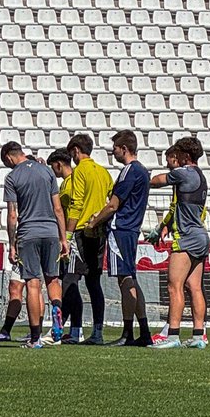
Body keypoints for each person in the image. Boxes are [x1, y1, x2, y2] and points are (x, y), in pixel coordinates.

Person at [85, 129, 152, 347]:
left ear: (124, 149)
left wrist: (94, 222)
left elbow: (114, 205)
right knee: (131, 278)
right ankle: (144, 331)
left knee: (124, 280)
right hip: (132, 230)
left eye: (115, 148)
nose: (113, 152)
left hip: (120, 229)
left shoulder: (129, 171)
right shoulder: (143, 171)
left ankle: (127, 333)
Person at [1, 141, 68, 349]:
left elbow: (13, 214)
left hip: (28, 233)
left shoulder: (12, 177)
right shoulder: (47, 172)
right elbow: (58, 208)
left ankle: (36, 337)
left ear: (10, 157)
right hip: (50, 231)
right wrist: (63, 238)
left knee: (32, 283)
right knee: (53, 279)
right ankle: (57, 313)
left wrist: (12, 244)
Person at [149, 137, 210, 349]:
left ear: (185, 156)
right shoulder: (201, 176)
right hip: (201, 236)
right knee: (194, 287)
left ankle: (172, 335)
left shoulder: (185, 173)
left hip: (187, 237)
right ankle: (198, 335)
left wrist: (140, 181)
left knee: (174, 287)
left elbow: (157, 180)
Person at [65, 133, 113, 345]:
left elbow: (76, 204)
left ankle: (74, 331)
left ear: (76, 150)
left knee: (70, 279)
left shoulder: (80, 171)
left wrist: (67, 235)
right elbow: (111, 200)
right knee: (94, 283)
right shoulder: (103, 172)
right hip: (99, 231)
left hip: (82, 231)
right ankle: (97, 331)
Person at [48, 148, 83, 343]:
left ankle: (76, 329)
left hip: (72, 238)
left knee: (70, 283)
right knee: (68, 283)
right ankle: (65, 327)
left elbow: (68, 211)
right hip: (70, 237)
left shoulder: (70, 184)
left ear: (59, 165)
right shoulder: (68, 183)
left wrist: (66, 237)